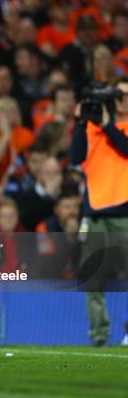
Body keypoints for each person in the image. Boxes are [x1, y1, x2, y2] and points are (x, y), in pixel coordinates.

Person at [71, 76, 128, 346]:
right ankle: (100, 337)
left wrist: (107, 125)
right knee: (93, 283)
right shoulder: (92, 128)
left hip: (126, 217)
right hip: (94, 217)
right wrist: (80, 123)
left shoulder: (114, 126)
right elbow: (75, 158)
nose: (122, 100)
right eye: (119, 95)